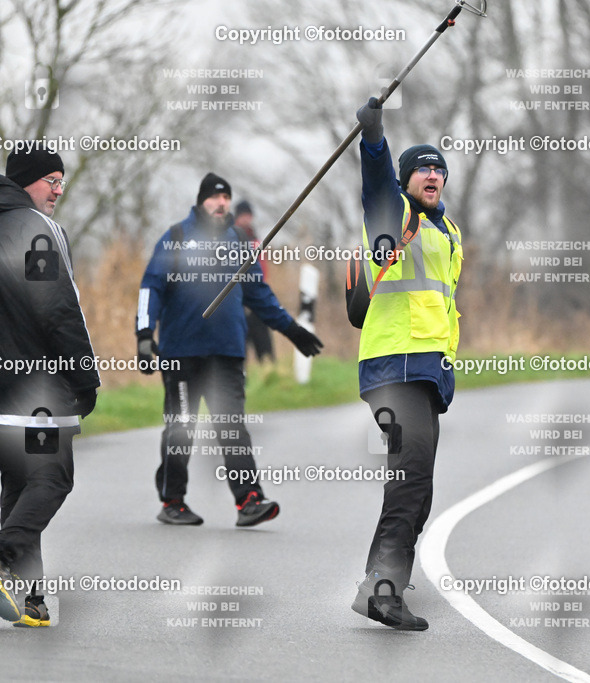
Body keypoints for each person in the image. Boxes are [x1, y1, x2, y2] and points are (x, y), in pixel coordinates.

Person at [0, 148, 99, 627]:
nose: (58, 189)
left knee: (18, 484)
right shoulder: (38, 230)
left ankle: (29, 599)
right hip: (32, 387)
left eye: (62, 180)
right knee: (53, 478)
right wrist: (86, 377)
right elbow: (60, 309)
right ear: (24, 182)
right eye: (51, 179)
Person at [136, 173, 323, 527]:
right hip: (181, 354)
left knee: (232, 427)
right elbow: (151, 288)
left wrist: (292, 330)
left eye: (227, 198)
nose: (222, 204)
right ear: (201, 201)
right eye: (215, 198)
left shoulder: (238, 242)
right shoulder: (176, 238)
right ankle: (172, 500)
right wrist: (144, 335)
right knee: (181, 427)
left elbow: (260, 295)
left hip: (227, 353)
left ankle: (249, 500)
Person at [349, 98, 463, 631]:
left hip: (425, 373)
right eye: (422, 167)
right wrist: (375, 139)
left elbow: (443, 304)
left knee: (419, 489)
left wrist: (447, 367)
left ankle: (383, 583)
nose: (433, 173)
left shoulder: (448, 232)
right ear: (406, 179)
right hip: (393, 367)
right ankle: (383, 591)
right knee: (410, 481)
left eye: (439, 167)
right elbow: (375, 184)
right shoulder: (394, 215)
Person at [234, 200, 276, 363]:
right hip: (237, 299)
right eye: (242, 216)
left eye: (248, 216)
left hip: (256, 298)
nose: (245, 219)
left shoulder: (256, 241)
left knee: (264, 343)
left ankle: (269, 373)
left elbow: (263, 270)